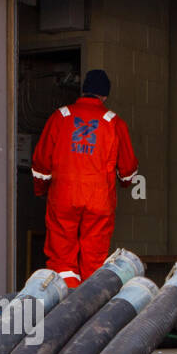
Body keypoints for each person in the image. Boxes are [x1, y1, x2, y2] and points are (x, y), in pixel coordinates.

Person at [31, 69, 139, 288]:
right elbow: (128, 170)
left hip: (63, 197)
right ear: (105, 95)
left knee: (62, 259)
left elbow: (41, 163)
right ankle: (89, 308)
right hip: (99, 201)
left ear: (84, 90)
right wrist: (125, 182)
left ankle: (65, 305)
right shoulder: (114, 123)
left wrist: (41, 189)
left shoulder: (60, 116)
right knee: (94, 260)